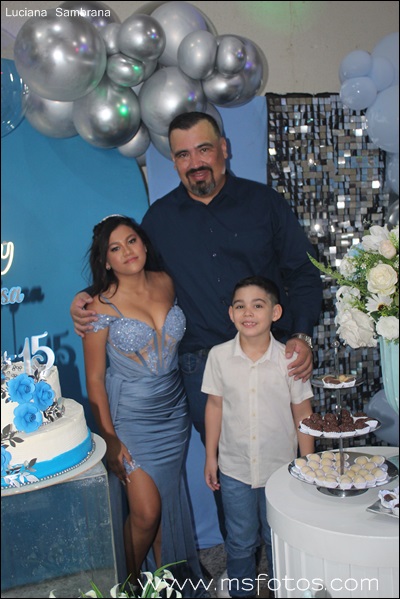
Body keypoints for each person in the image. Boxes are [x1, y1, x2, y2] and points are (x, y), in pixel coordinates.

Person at [70, 111, 323, 539]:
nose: (195, 162)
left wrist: (300, 335)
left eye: (203, 149)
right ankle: (242, 562)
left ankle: (287, 557)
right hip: (201, 370)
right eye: (183, 154)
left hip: (271, 359)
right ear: (173, 162)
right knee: (228, 471)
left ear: (223, 149)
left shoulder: (265, 204)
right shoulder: (159, 221)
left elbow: (302, 273)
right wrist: (86, 298)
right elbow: (132, 278)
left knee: (282, 462)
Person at [81, 214, 207, 596]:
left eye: (131, 241)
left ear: (144, 243)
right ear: (105, 261)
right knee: (146, 512)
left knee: (165, 507)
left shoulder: (166, 282)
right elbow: (94, 380)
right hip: (130, 418)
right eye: (115, 248)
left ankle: (163, 584)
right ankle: (129, 584)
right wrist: (109, 438)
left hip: (173, 411)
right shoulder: (98, 307)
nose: (127, 252)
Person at [203, 276, 314, 598]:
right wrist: (211, 457)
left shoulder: (289, 359)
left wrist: (307, 463)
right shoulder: (218, 356)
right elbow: (214, 406)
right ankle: (242, 593)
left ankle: (285, 591)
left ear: (275, 312)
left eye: (257, 305)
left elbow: (302, 412)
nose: (248, 313)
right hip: (234, 468)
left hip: (280, 470)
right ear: (231, 313)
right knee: (240, 540)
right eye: (240, 306)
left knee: (278, 537)